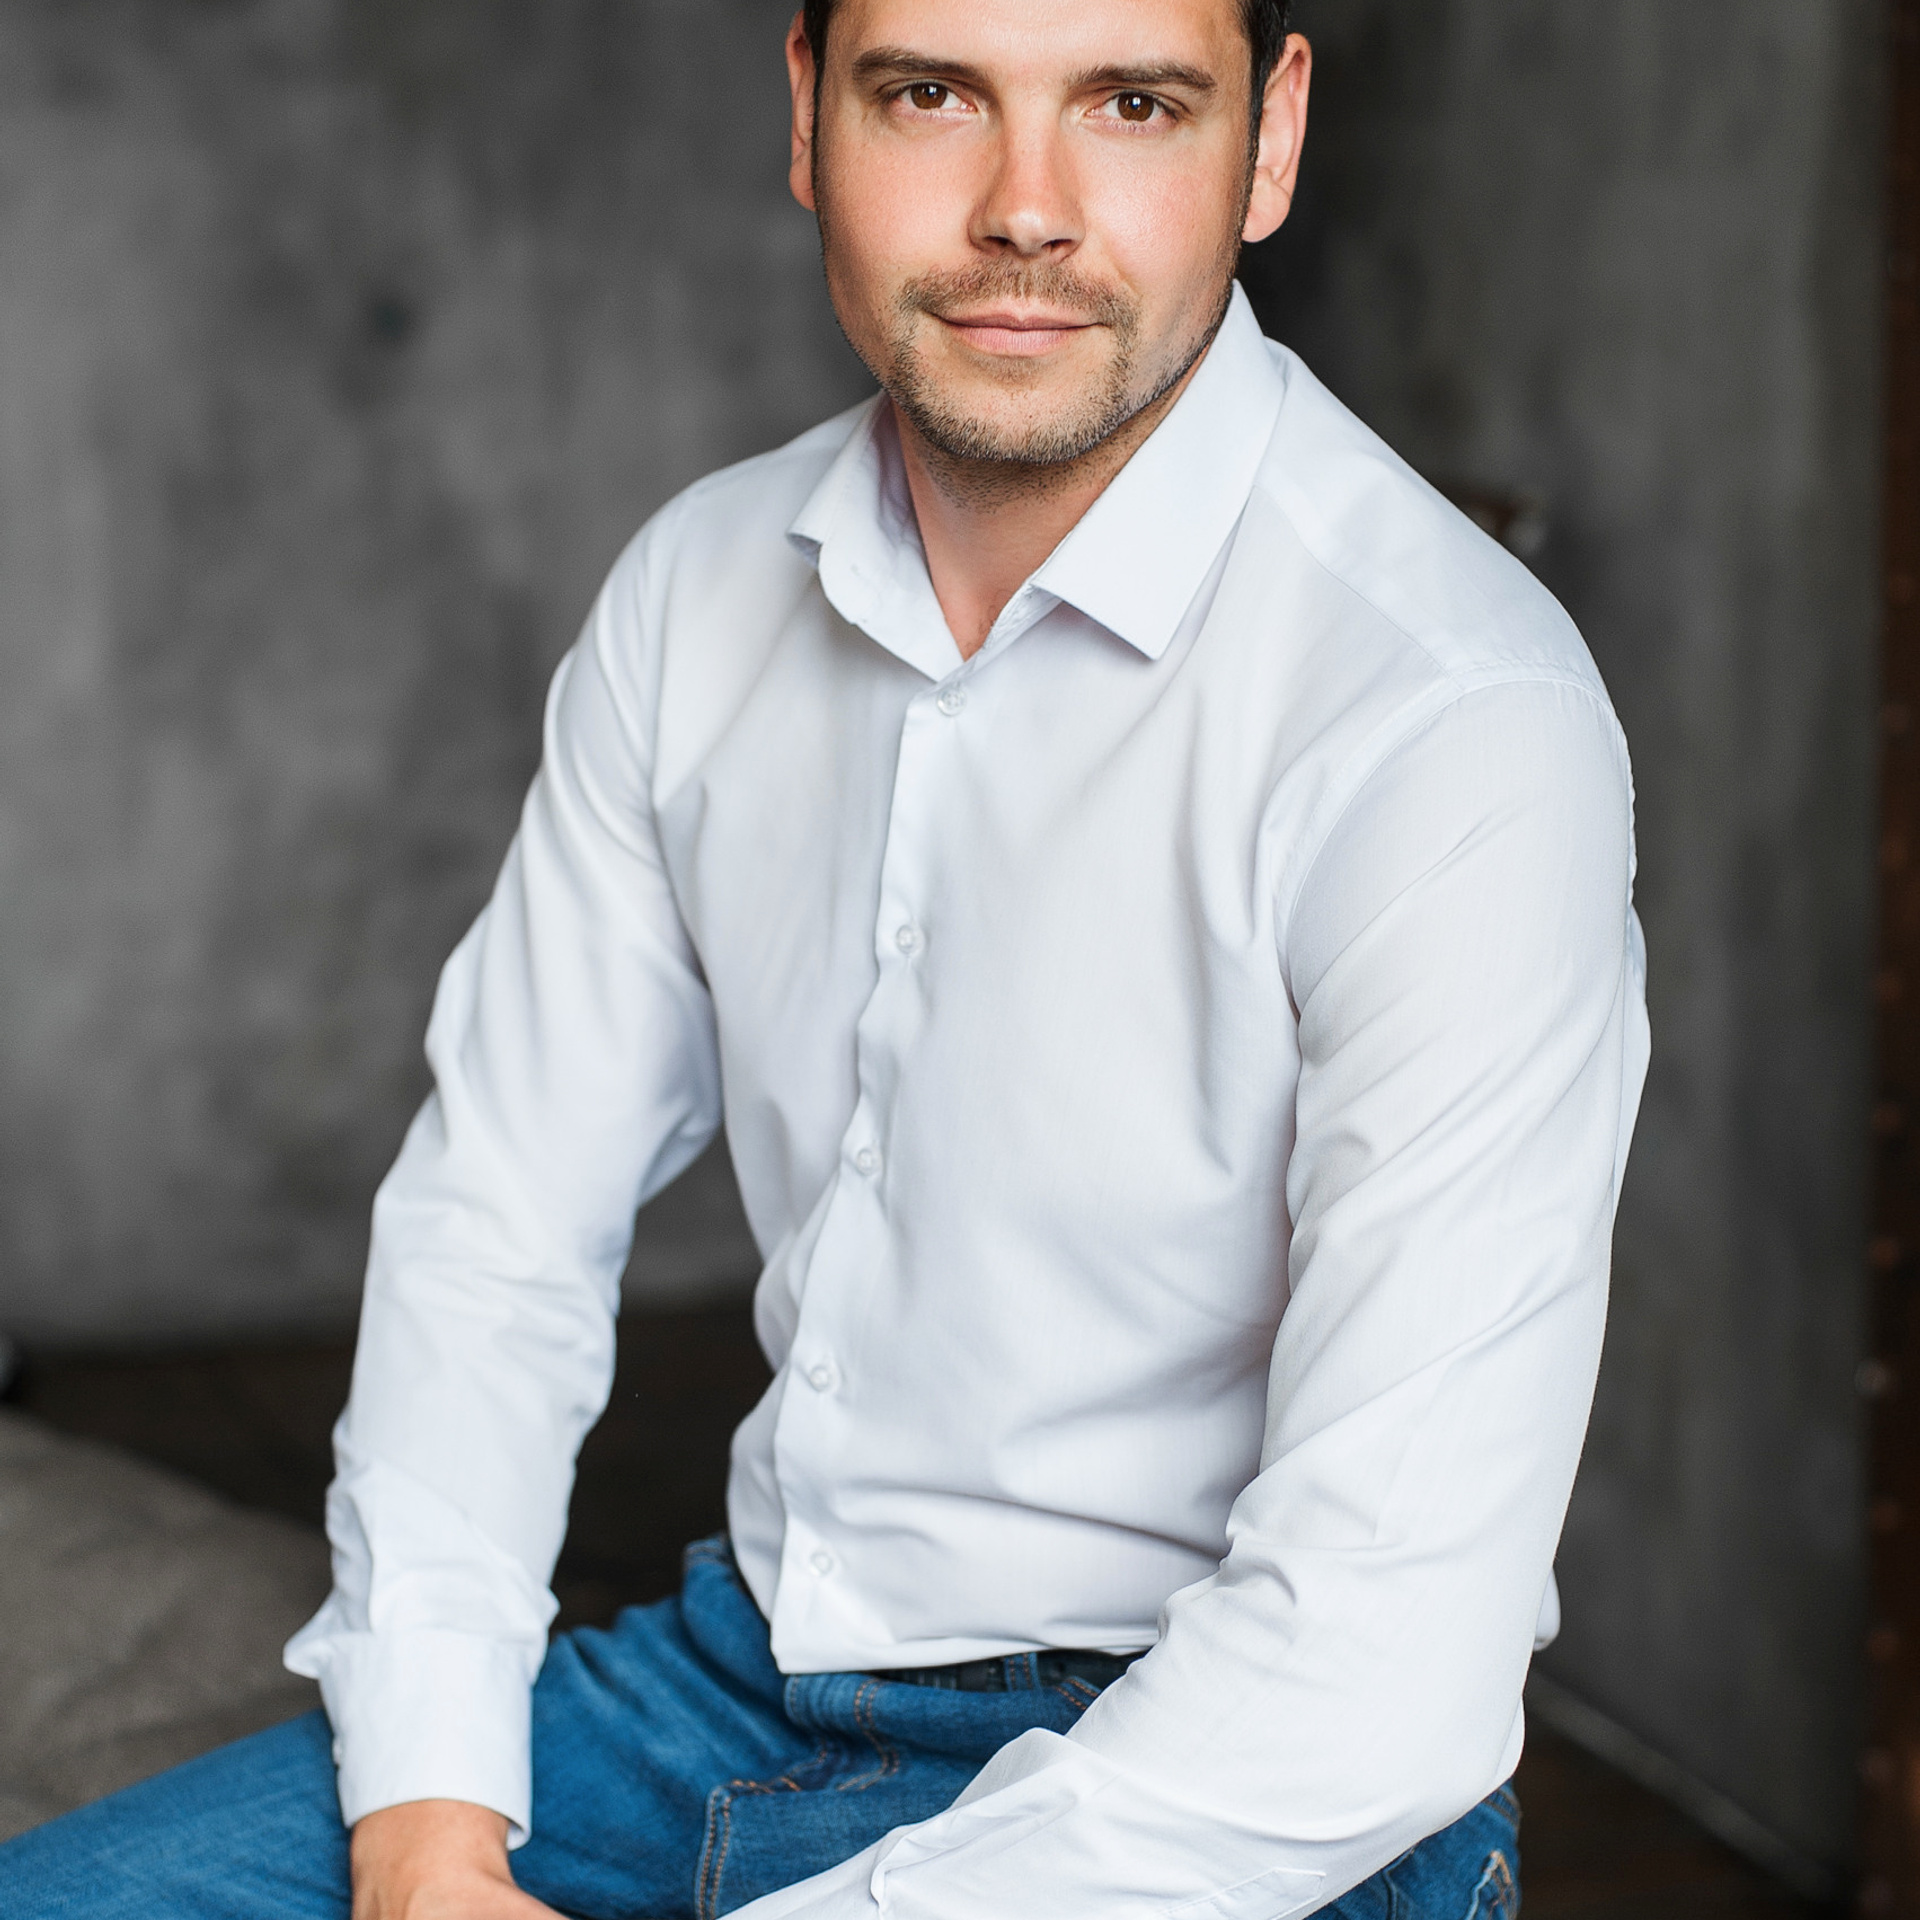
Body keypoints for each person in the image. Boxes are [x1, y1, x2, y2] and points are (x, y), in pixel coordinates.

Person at [0, 0, 1648, 1914]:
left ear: (1267, 143)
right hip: (735, 1687)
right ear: (808, 116)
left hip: (1224, 1782)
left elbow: (1370, 1675)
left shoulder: (1451, 719)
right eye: (932, 93)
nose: (1026, 207)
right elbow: (496, 1229)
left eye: (1132, 103)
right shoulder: (698, 595)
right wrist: (432, 1819)